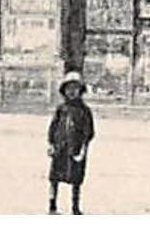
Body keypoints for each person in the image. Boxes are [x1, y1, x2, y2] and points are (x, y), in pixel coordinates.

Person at [47, 70, 95, 215]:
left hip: (75, 149)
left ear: (81, 91)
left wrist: (83, 149)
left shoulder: (84, 111)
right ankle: (52, 204)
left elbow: (89, 132)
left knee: (76, 178)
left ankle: (75, 206)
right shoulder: (61, 109)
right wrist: (51, 144)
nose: (72, 92)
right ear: (64, 91)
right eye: (69, 88)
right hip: (60, 148)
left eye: (75, 88)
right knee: (55, 177)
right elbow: (53, 127)